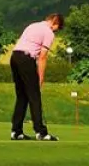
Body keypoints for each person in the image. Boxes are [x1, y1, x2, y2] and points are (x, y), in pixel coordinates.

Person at [9, 13, 63, 141]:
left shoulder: (32, 25)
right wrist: (41, 78)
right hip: (27, 59)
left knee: (22, 96)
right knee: (34, 96)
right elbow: (42, 57)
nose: (56, 31)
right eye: (58, 28)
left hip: (15, 57)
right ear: (55, 23)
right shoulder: (49, 32)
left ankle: (16, 131)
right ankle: (41, 132)